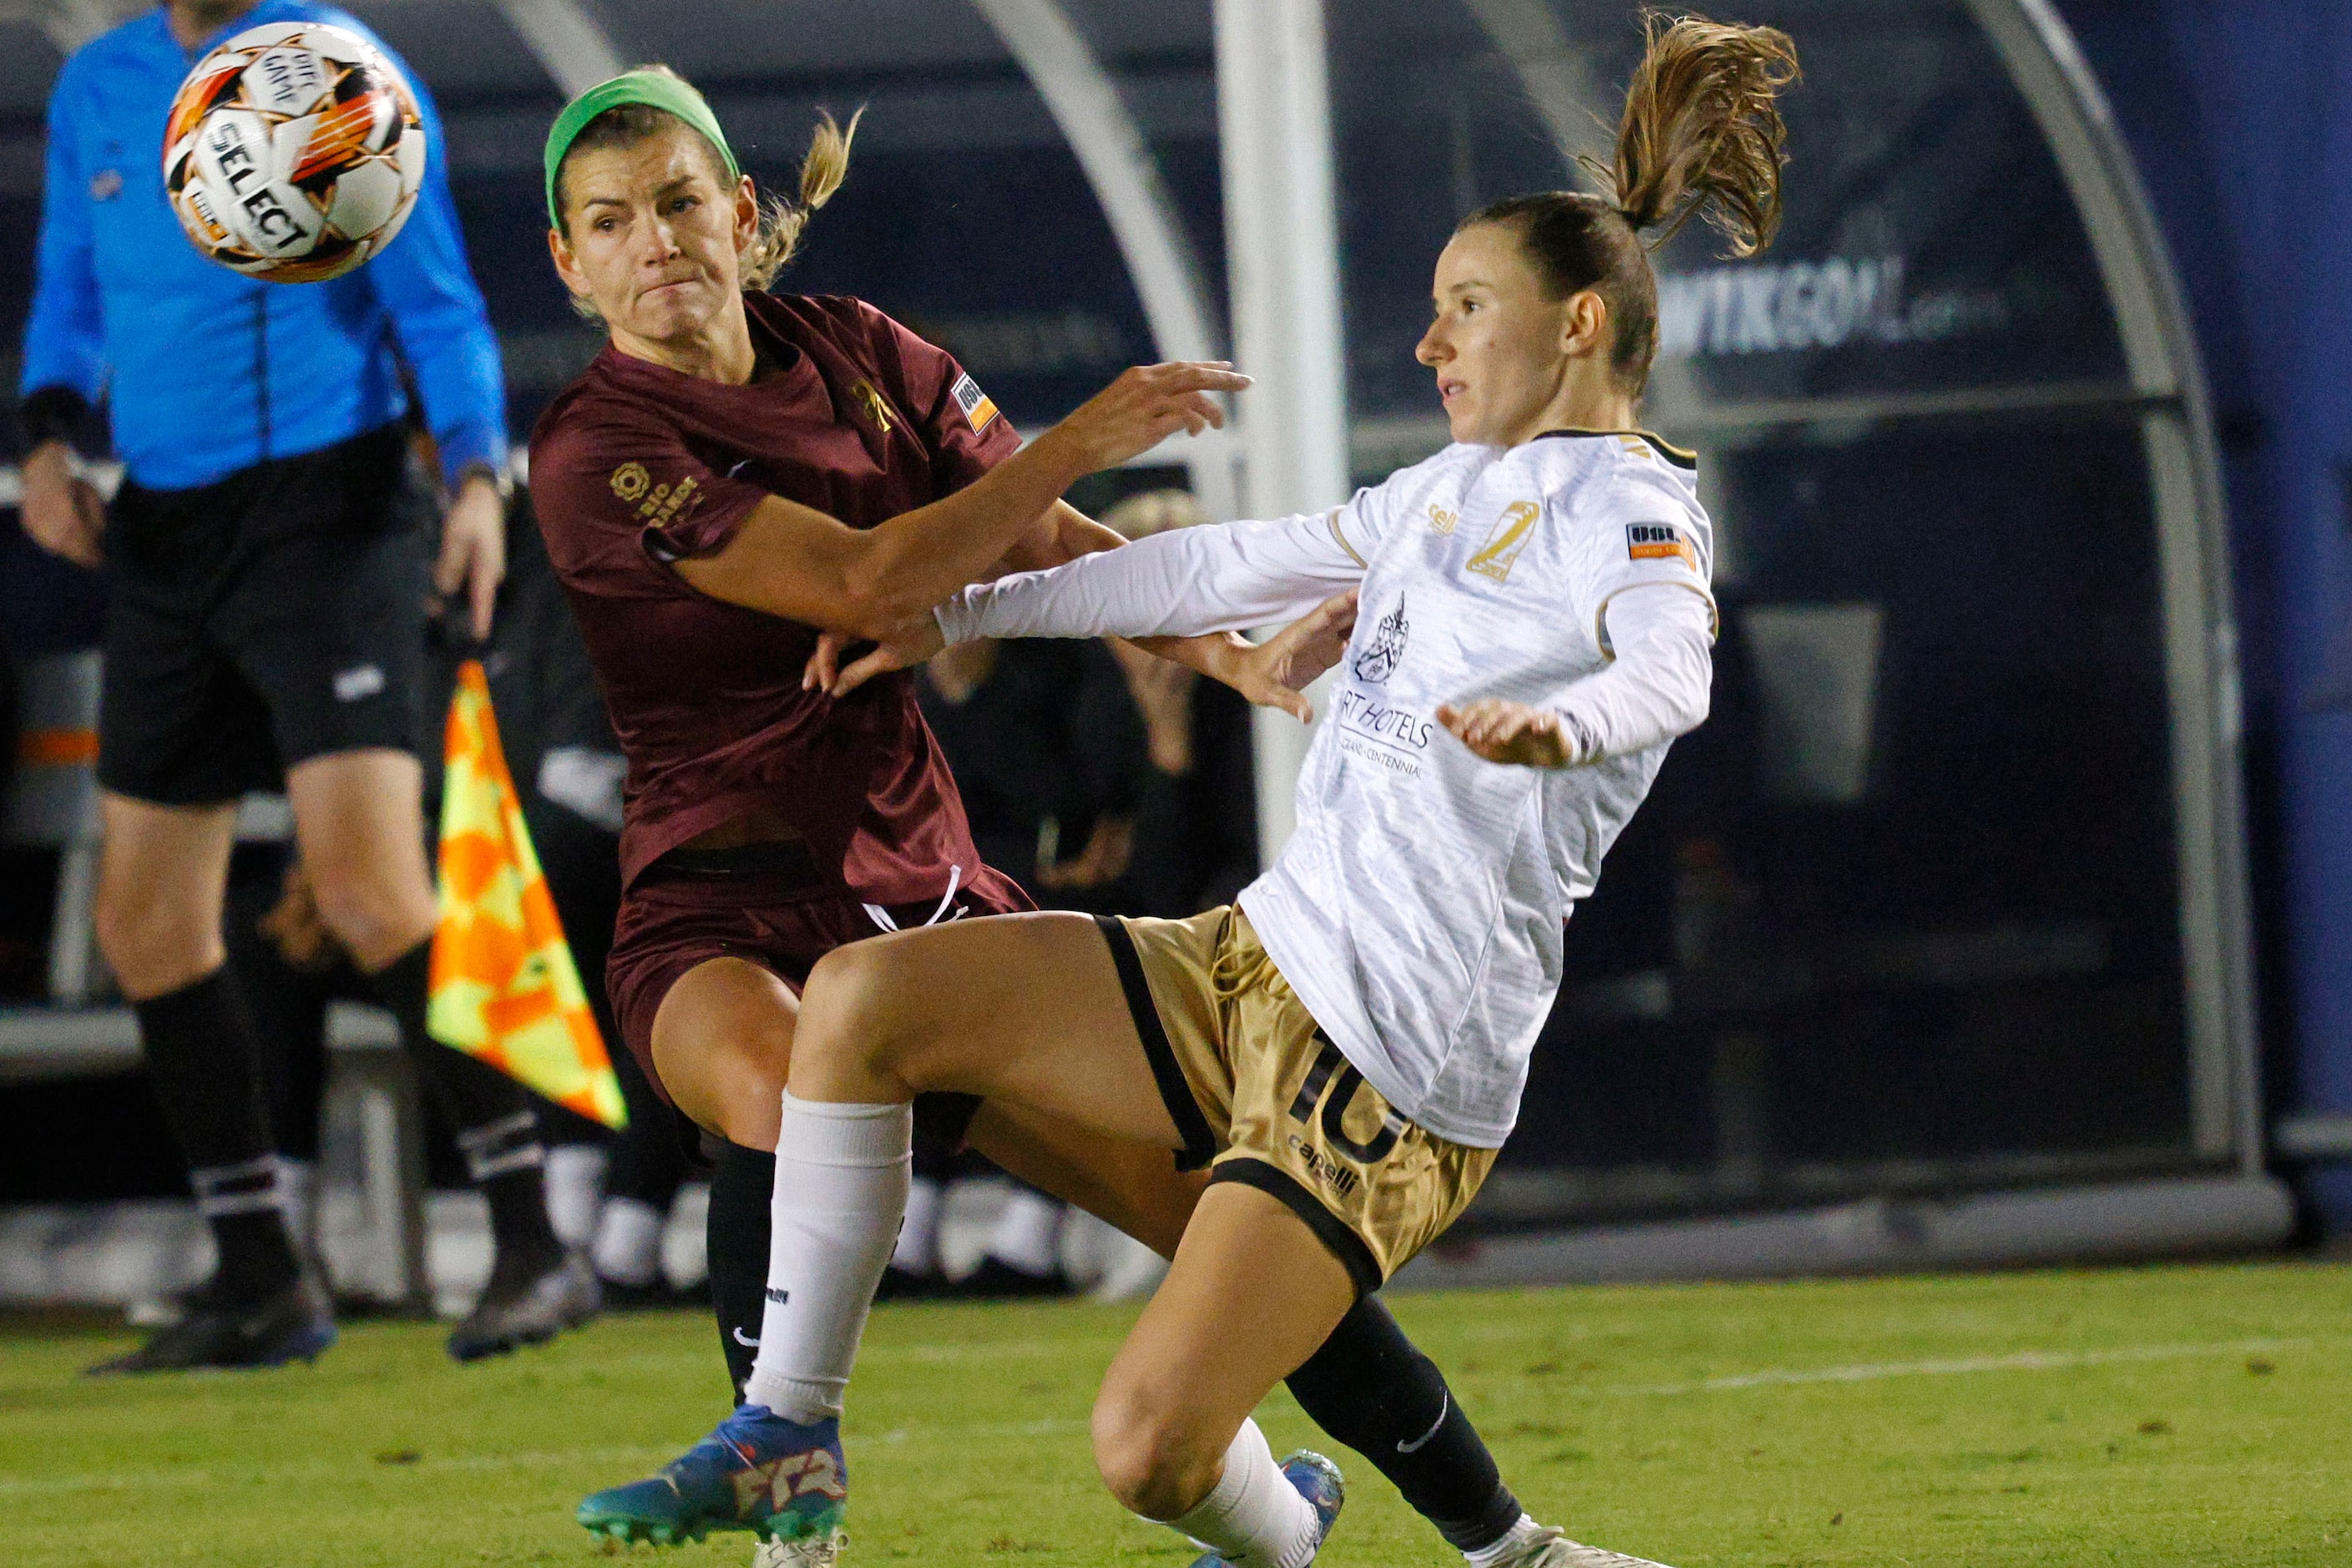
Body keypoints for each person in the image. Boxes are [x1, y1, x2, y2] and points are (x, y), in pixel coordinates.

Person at [600, 13, 1796, 1568]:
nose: (1428, 346)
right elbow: (1211, 565)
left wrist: (1561, 732)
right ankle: (787, 1432)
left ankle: (1486, 1553)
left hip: (1387, 1061)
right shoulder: (1442, 491)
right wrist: (946, 614)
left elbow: (1669, 675)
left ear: (1577, 327)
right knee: (861, 1000)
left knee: (1148, 1448)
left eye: (1463, 310)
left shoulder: (1634, 507)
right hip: (1248, 964)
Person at [16, 0, 594, 1371]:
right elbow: (69, 292)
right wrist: (46, 439)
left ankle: (532, 1243)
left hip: (326, 520)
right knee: (145, 921)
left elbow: (436, 299)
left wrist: (469, 475)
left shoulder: (334, 71)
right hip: (161, 528)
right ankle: (260, 1273)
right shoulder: (99, 85)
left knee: (369, 891)